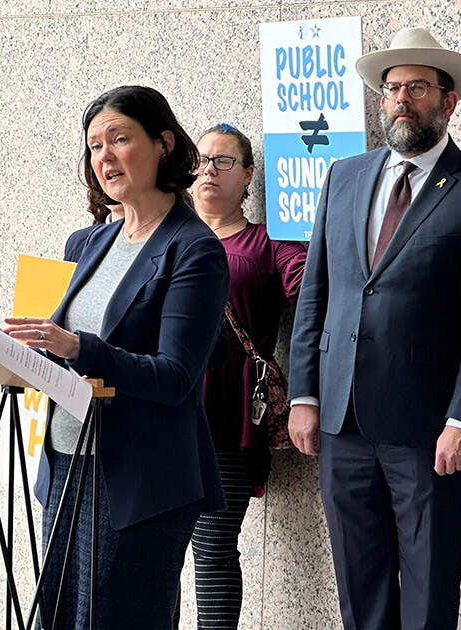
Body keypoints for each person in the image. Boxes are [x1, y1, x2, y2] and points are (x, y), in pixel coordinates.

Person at [286, 28, 461, 630]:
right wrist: (304, 394)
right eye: (391, 88)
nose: (400, 99)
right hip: (341, 420)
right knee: (358, 585)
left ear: (448, 101)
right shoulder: (343, 176)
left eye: (417, 87)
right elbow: (318, 293)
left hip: (428, 429)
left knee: (428, 583)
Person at [4, 85, 229, 629]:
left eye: (119, 139)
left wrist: (79, 348)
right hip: (66, 462)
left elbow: (175, 377)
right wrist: (14, 353)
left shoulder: (194, 249)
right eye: (94, 146)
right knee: (58, 618)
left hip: (140, 479)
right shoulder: (88, 243)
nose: (104, 157)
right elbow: (61, 348)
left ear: (163, 144)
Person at [184, 123, 306, 629]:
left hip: (230, 410)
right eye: (202, 161)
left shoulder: (267, 241)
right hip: (162, 404)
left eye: (223, 161)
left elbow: (313, 289)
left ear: (249, 174)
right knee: (158, 547)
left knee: (213, 543)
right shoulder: (168, 235)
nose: (209, 170)